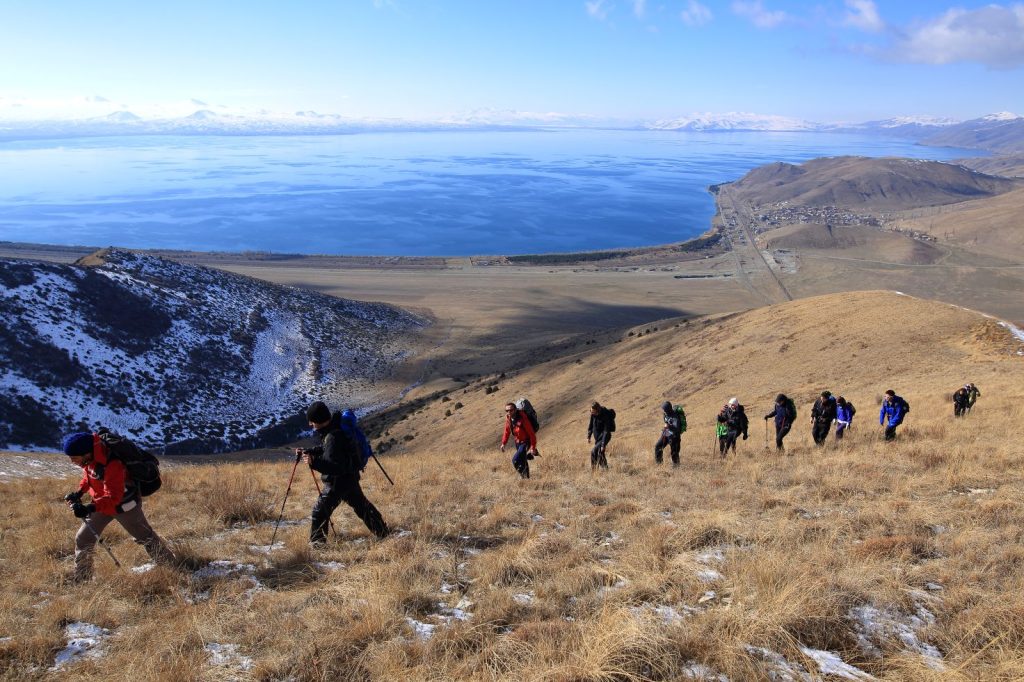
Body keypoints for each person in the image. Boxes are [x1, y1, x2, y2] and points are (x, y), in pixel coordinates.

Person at [61, 432, 175, 582]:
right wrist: (79, 493)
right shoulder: (91, 460)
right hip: (101, 505)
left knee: (145, 537)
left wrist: (89, 508)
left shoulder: (112, 464)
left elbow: (114, 497)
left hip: (125, 507)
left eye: (74, 458)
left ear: (86, 453)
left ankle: (172, 567)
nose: (72, 461)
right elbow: (89, 477)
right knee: (83, 539)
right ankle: (82, 578)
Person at [297, 401, 389, 544]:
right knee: (361, 506)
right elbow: (329, 451)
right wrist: (311, 451)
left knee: (320, 512)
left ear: (320, 420)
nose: (310, 424)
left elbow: (335, 467)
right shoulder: (335, 428)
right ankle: (383, 532)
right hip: (349, 477)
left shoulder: (333, 437)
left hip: (338, 483)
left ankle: (318, 547)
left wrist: (313, 462)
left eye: (312, 420)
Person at [501, 401, 538, 479]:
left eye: (511, 410)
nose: (509, 412)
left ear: (515, 410)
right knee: (523, 460)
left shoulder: (523, 419)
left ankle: (523, 476)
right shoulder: (509, 419)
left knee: (515, 460)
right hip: (517, 442)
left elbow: (532, 434)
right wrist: (503, 443)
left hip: (525, 442)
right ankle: (527, 479)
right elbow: (506, 432)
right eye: (507, 411)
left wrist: (532, 447)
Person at [587, 402, 615, 470]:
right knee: (600, 453)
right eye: (591, 411)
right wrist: (589, 436)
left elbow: (606, 431)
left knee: (593, 452)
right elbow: (591, 425)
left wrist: (603, 444)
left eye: (593, 412)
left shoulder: (605, 415)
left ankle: (594, 471)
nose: (591, 413)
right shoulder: (593, 414)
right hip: (598, 437)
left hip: (605, 437)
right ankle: (605, 469)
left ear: (597, 410)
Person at [654, 401, 682, 466]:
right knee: (658, 446)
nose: (663, 410)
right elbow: (666, 421)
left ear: (668, 409)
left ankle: (676, 468)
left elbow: (677, 428)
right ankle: (659, 464)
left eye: (664, 409)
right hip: (666, 434)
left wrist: (669, 426)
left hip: (675, 437)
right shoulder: (666, 414)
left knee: (674, 453)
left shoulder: (675, 417)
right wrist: (666, 426)